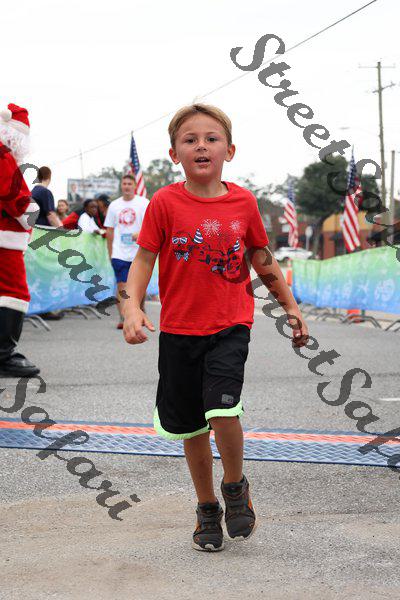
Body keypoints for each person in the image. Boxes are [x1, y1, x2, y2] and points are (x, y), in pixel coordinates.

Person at [122, 104, 309, 552]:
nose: (201, 145)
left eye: (211, 138)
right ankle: (207, 507)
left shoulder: (243, 203)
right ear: (175, 154)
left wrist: (290, 306)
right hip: (179, 331)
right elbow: (144, 258)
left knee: (222, 409)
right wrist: (131, 308)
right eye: (190, 140)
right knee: (190, 427)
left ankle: (234, 486)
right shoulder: (165, 202)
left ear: (229, 150)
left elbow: (261, 257)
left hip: (230, 325)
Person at [0, 103, 40, 377]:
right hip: (5, 237)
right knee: (14, 292)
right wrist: (31, 213)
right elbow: (12, 193)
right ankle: (4, 355)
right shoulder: (3, 154)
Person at [104, 174, 149, 329]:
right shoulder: (114, 205)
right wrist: (110, 252)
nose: (127, 186)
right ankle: (124, 317)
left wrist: (141, 235)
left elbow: (151, 225)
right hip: (119, 252)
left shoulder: (144, 203)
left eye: (130, 183)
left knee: (139, 286)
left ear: (135, 186)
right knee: (122, 284)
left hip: (139, 252)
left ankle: (140, 310)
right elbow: (110, 230)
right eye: (124, 183)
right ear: (121, 186)